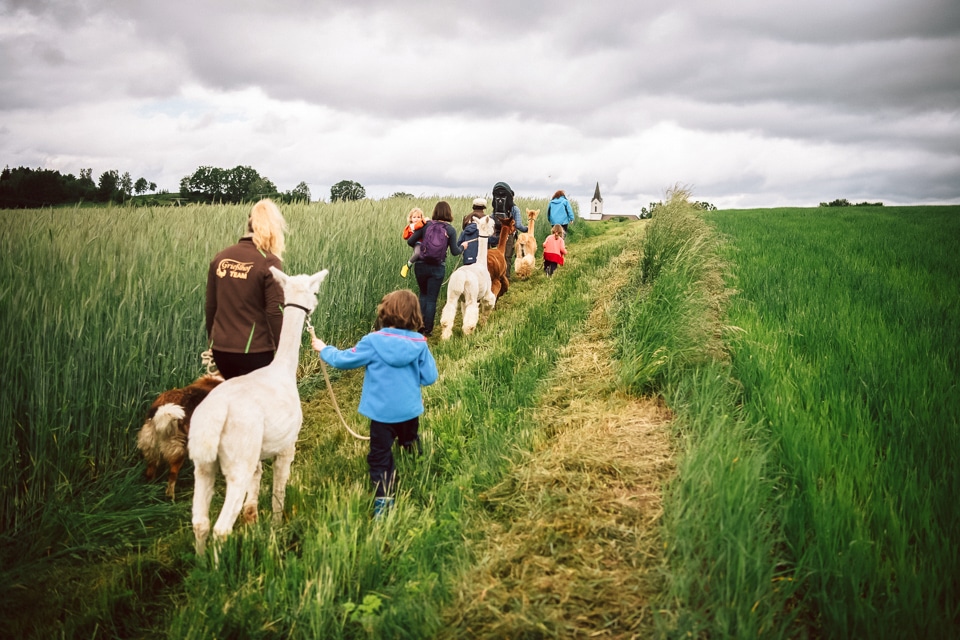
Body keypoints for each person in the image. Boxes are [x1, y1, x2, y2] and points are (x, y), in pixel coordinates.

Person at [311, 289, 438, 518]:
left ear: (385, 312)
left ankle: (384, 500)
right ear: (415, 315)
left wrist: (324, 348)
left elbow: (343, 360)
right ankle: (416, 467)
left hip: (381, 415)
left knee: (380, 456)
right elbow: (429, 377)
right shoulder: (420, 343)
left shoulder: (372, 341)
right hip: (409, 412)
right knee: (409, 441)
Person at [205, 198, 287, 379]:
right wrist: (284, 352)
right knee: (257, 403)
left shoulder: (221, 257)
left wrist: (212, 342)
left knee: (235, 401)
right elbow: (275, 311)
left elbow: (211, 306)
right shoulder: (269, 261)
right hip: (255, 352)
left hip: (221, 351)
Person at [406, 201, 464, 336]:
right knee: (432, 298)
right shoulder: (450, 230)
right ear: (449, 213)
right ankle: (428, 330)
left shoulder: (426, 225)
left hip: (420, 264)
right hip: (438, 267)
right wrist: (463, 247)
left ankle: (419, 326)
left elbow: (410, 241)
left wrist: (420, 245)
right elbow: (455, 251)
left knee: (423, 295)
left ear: (435, 212)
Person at [489, 181, 527, 275]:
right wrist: (527, 229)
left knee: (497, 255)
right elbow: (518, 225)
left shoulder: (496, 207)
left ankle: (497, 275)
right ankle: (506, 277)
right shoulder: (515, 209)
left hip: (496, 234)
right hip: (508, 234)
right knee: (507, 256)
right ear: (511, 197)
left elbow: (492, 218)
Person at [458, 198, 487, 266]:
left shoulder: (467, 217)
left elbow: (459, 243)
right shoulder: (486, 219)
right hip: (481, 257)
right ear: (484, 207)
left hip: (467, 257)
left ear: (473, 206)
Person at [400, 207, 425, 278]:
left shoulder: (423, 225)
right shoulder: (412, 226)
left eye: (418, 217)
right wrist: (424, 220)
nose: (416, 219)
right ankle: (407, 266)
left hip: (425, 244)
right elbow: (405, 236)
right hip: (418, 243)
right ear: (411, 218)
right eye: (414, 217)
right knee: (417, 253)